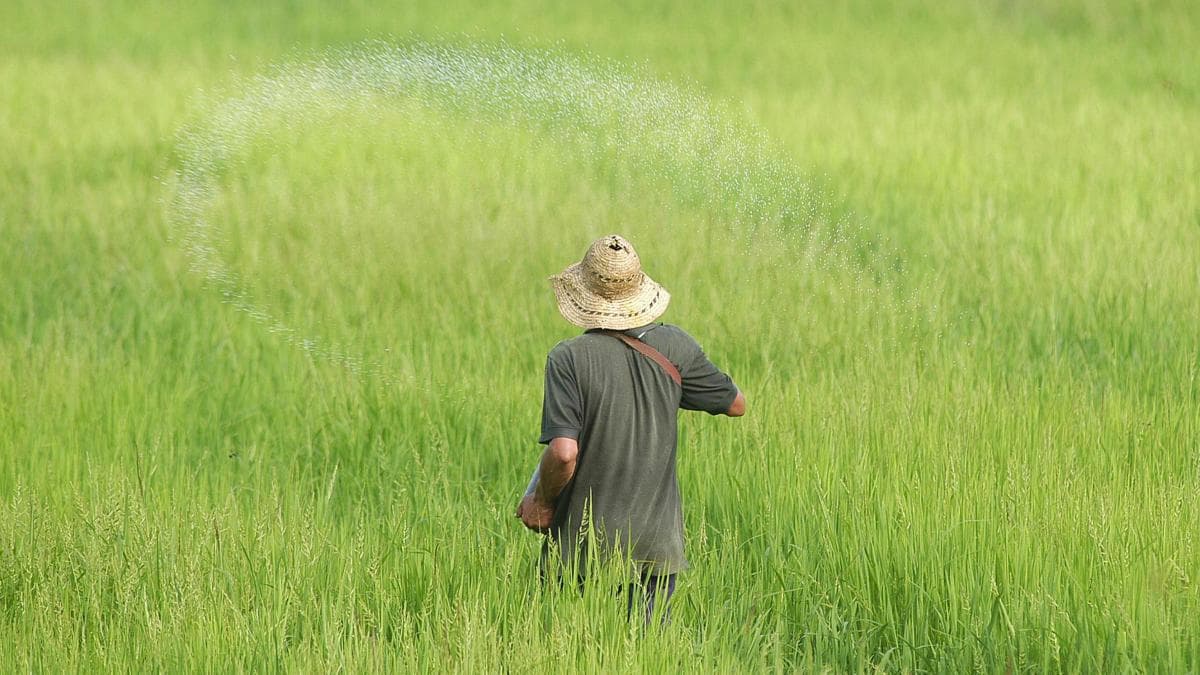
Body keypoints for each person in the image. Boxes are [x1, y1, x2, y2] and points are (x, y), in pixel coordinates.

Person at [516, 234, 746, 624]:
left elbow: (563, 452)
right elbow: (735, 404)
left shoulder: (568, 359)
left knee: (571, 653)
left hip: (581, 550)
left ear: (583, 292)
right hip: (656, 548)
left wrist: (541, 500)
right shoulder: (675, 346)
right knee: (647, 654)